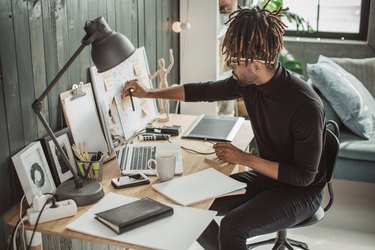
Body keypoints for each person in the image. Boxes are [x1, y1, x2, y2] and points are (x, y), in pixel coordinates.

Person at [122, 3, 326, 250]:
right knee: (185, 202)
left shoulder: (305, 105)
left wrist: (244, 158)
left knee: (233, 226)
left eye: (235, 61)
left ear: (257, 65)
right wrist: (147, 93)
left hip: (300, 193)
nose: (231, 65)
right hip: (267, 179)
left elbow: (304, 177)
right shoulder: (248, 82)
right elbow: (203, 91)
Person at [149, 48, 174, 122]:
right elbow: (152, 77)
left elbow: (172, 63)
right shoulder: (159, 71)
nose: (162, 63)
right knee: (159, 97)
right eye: (161, 62)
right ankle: (161, 109)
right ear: (159, 64)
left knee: (166, 100)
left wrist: (171, 54)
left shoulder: (165, 71)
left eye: (163, 62)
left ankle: (167, 114)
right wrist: (150, 76)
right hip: (161, 84)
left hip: (165, 84)